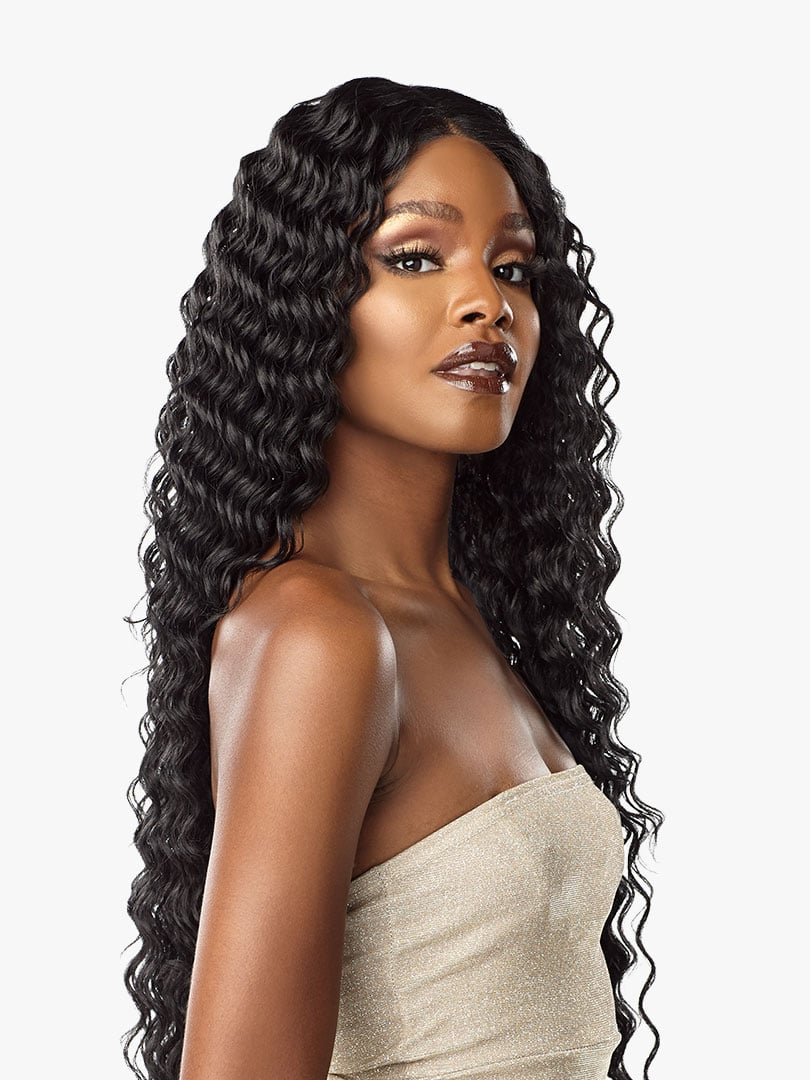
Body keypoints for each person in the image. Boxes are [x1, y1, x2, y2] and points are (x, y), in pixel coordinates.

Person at [122, 76, 664, 1080]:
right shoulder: (320, 633)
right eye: (415, 258)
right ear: (305, 299)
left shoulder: (474, 623)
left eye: (513, 267)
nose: (487, 303)